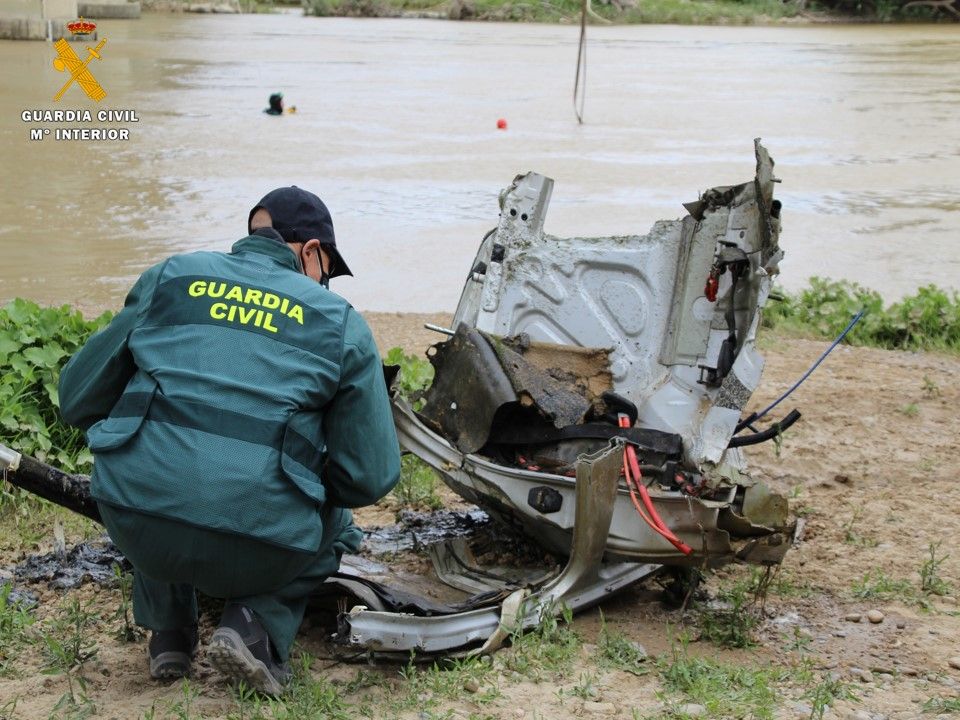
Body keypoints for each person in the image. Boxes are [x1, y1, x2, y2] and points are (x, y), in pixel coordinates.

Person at [57, 187, 401, 695]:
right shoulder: (338, 322)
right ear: (310, 252)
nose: (324, 282)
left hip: (137, 520)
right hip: (262, 542)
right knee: (341, 526)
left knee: (166, 457)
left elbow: (76, 399)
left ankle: (170, 634)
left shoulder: (172, 277)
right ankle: (254, 625)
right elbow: (369, 477)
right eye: (326, 267)